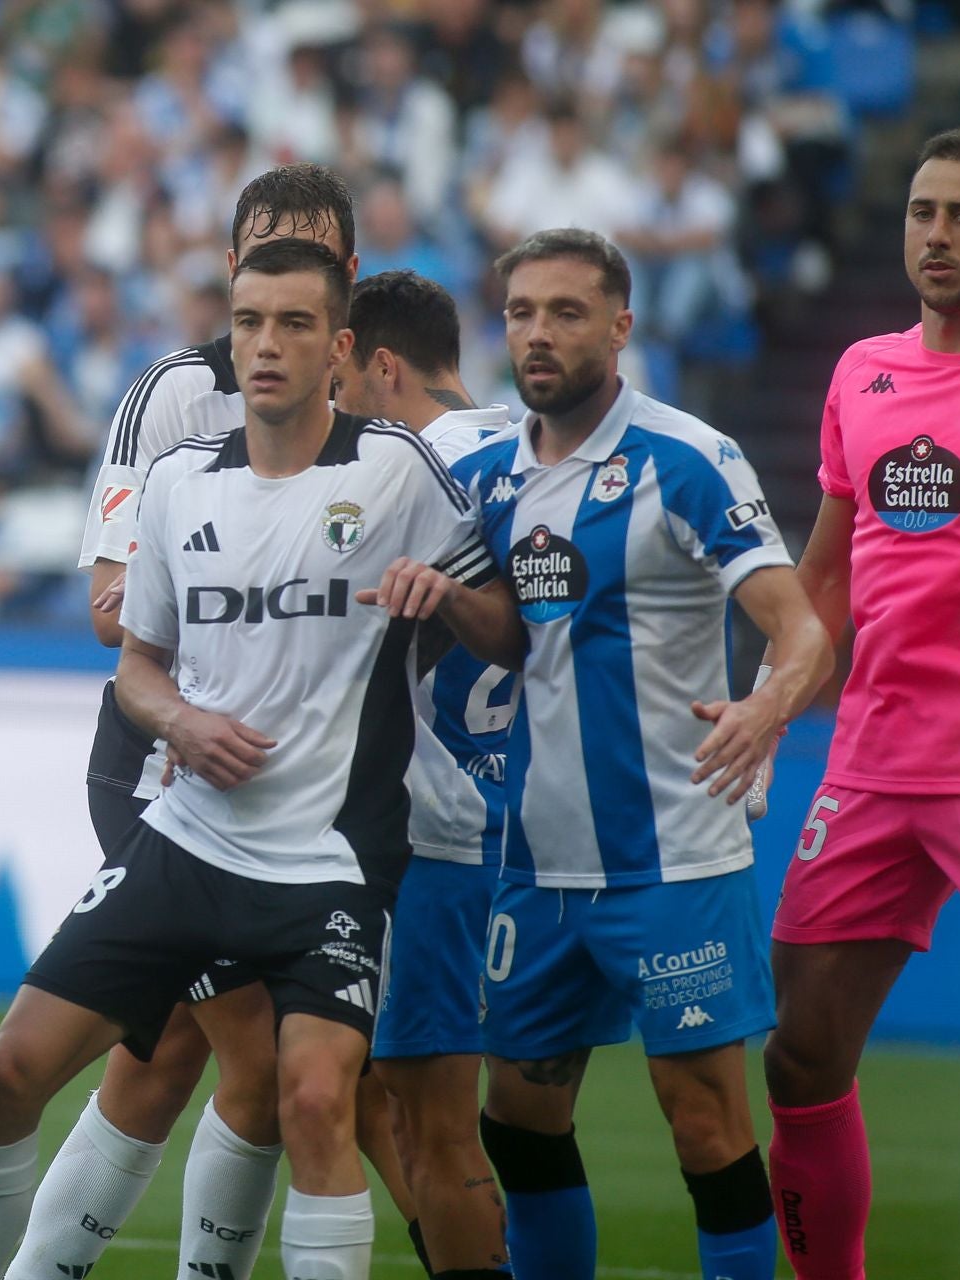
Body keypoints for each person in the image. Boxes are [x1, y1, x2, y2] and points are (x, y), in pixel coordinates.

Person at [0, 237, 521, 1280]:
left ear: (338, 346)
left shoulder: (398, 472)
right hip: (188, 838)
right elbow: (138, 666)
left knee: (311, 1099)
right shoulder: (177, 481)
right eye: (251, 320)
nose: (268, 344)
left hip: (331, 862)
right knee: (7, 1072)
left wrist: (451, 598)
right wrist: (178, 723)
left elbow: (510, 629)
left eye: (295, 324)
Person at [447, 228, 832, 1280]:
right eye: (522, 311)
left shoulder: (689, 458)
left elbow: (802, 629)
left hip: (672, 862)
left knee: (706, 1129)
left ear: (620, 327)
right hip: (536, 863)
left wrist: (766, 708)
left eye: (566, 312)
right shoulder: (487, 474)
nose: (538, 332)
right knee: (518, 1123)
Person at [761, 126, 960, 1280]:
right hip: (868, 763)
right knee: (801, 1054)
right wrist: (769, 709)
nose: (938, 235)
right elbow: (826, 574)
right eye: (922, 212)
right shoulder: (863, 368)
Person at [333, 269, 515, 1280]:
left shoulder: (403, 465)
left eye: (345, 376)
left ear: (383, 364)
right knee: (363, 1084)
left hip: (424, 822)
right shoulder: (521, 449)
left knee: (429, 1114)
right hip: (522, 812)